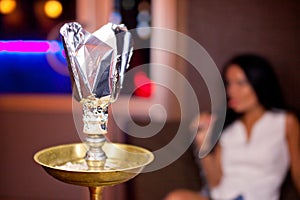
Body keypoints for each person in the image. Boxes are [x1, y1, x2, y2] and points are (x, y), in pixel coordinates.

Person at [164, 54, 300, 200]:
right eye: (229, 84)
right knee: (176, 197)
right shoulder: (226, 126)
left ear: (259, 83)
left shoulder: (285, 121)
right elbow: (215, 183)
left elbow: (297, 170)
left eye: (240, 83)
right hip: (222, 197)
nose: (231, 91)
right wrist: (203, 143)